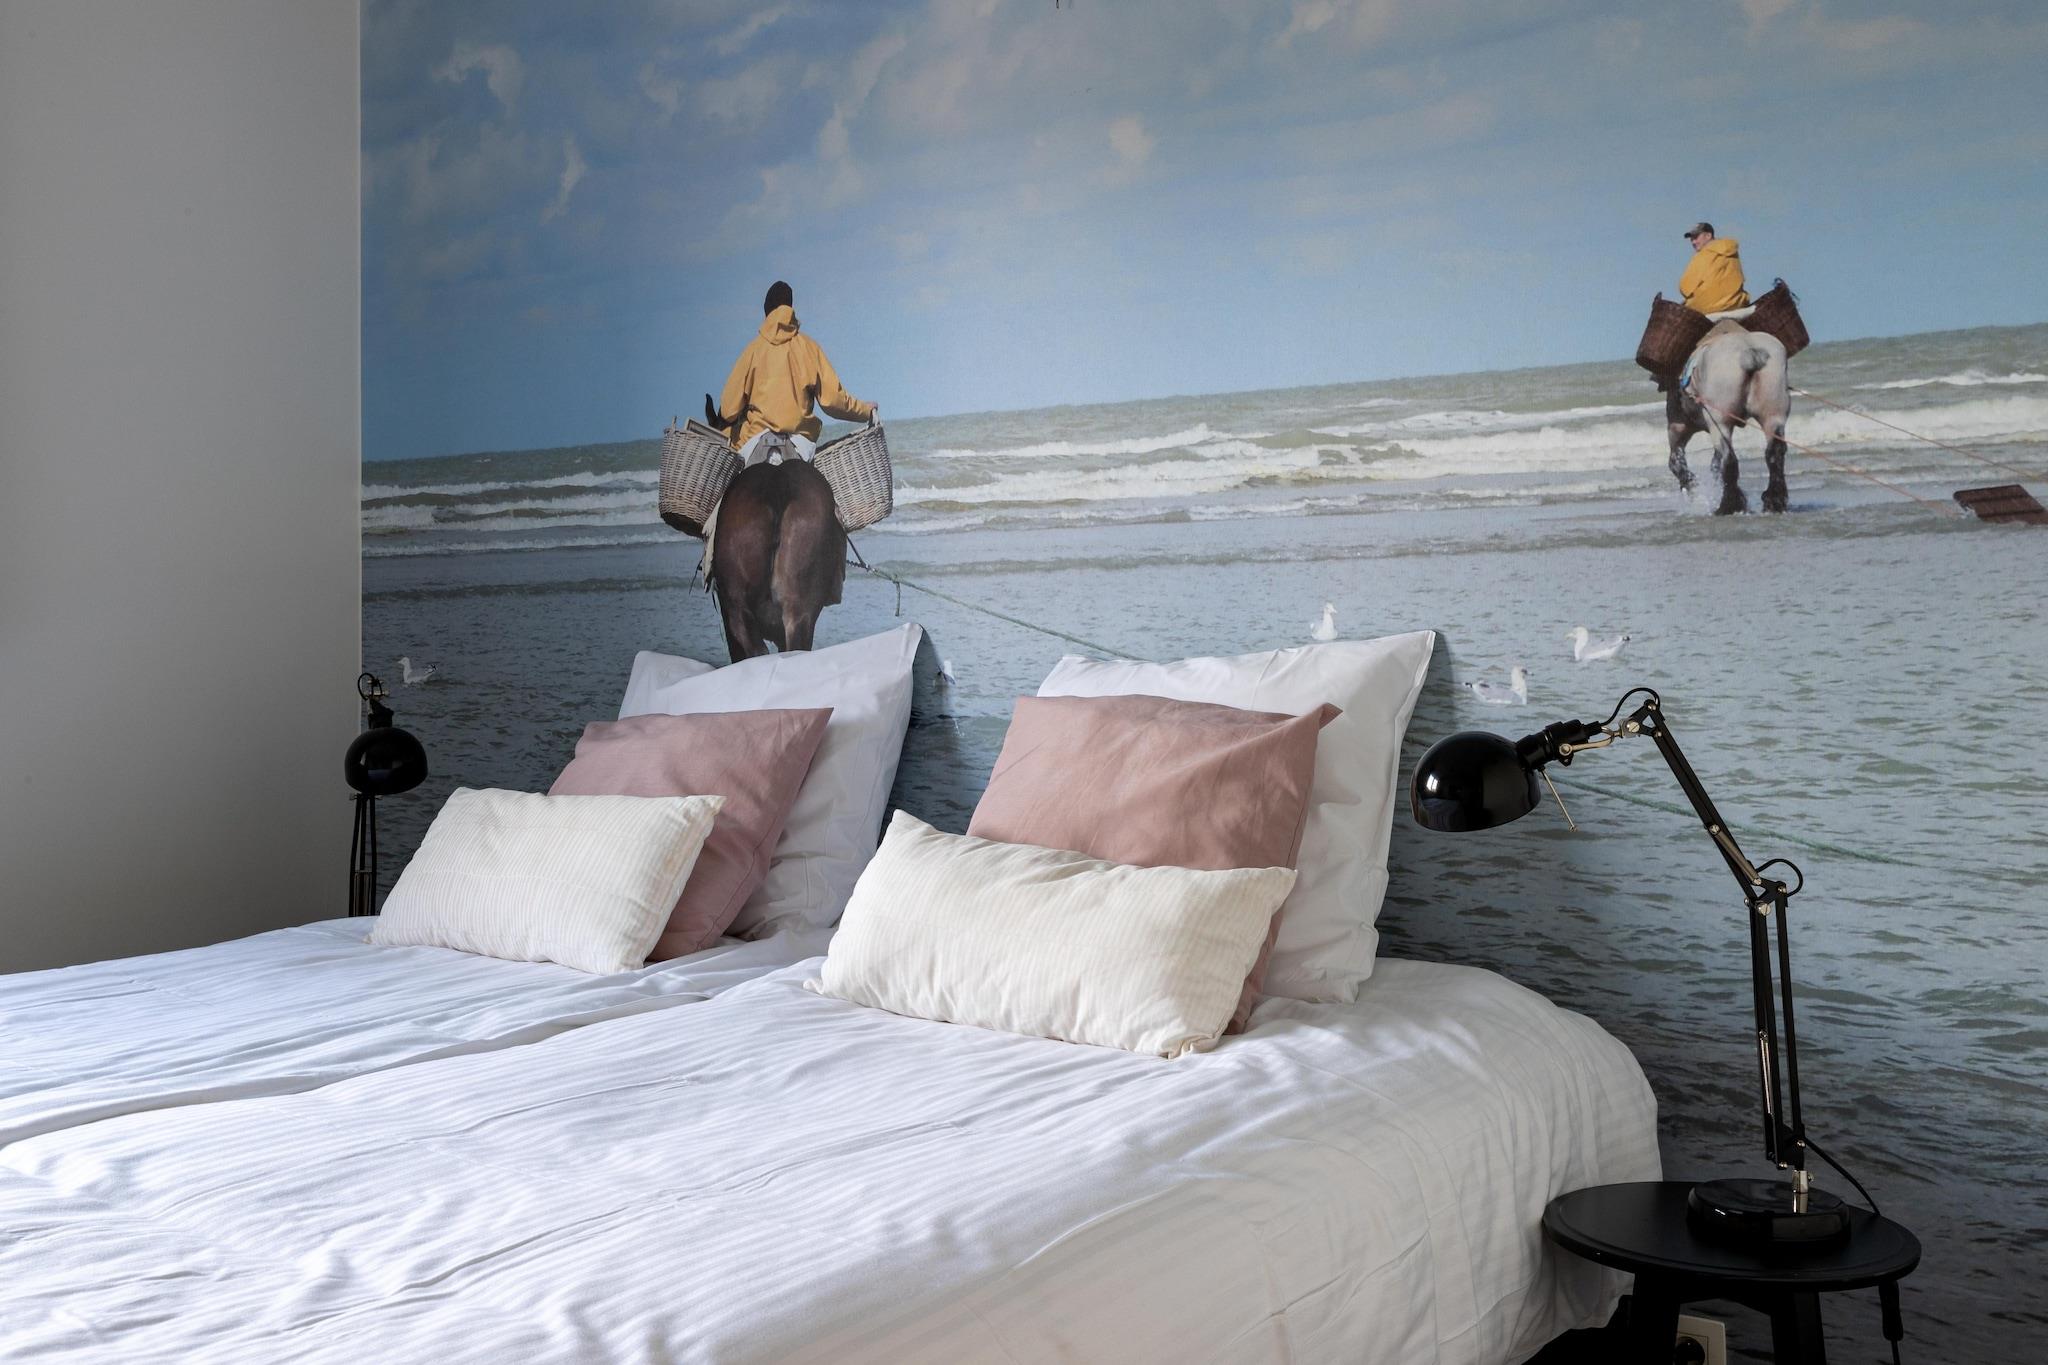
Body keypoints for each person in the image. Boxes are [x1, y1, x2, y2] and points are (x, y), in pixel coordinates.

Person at [716, 280, 874, 463]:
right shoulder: (809, 347)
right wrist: (866, 411)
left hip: (756, 441)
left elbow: (728, 410)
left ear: (766, 312)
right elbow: (833, 401)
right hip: (800, 446)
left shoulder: (752, 350)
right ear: (790, 309)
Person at [1678, 222, 1749, 315]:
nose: (1693, 242)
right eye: (1691, 239)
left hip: (1705, 308)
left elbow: (1685, 287)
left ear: (1708, 236)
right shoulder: (1731, 250)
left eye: (1696, 237)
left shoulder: (1704, 253)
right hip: (1735, 303)